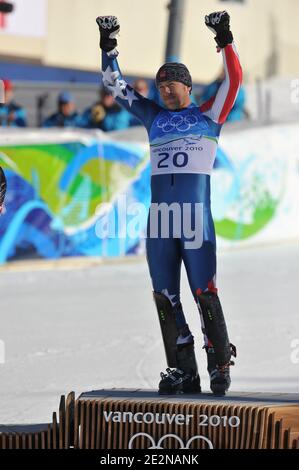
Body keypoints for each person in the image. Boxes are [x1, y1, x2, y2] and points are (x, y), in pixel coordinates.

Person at [96, 11, 242, 396]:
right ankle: (183, 369)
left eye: (171, 84)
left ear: (187, 86)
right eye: (160, 86)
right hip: (160, 221)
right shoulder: (153, 116)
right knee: (164, 296)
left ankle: (219, 363)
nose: (164, 91)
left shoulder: (210, 114)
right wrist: (108, 46)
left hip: (195, 219)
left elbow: (234, 80)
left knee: (203, 291)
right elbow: (116, 86)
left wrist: (224, 38)